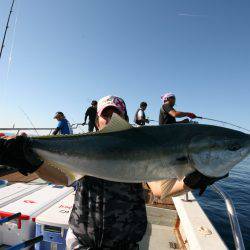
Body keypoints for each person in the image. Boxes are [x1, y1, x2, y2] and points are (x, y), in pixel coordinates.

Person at [0, 96, 228, 249]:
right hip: (83, 240)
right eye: (105, 114)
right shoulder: (83, 147)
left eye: (115, 113)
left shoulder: (143, 147)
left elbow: (161, 190)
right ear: (97, 120)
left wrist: (193, 180)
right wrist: (32, 163)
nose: (109, 118)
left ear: (125, 118)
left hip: (125, 244)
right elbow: (62, 177)